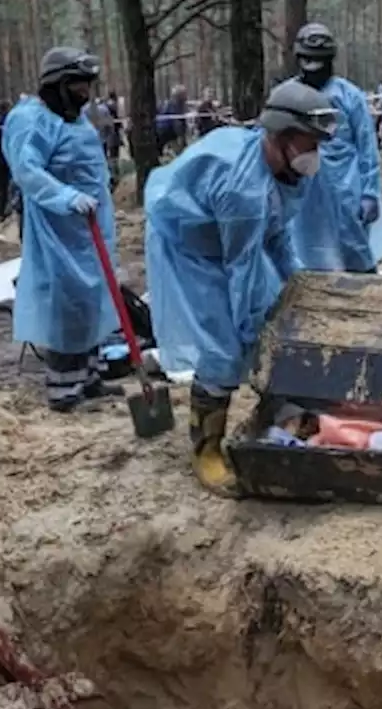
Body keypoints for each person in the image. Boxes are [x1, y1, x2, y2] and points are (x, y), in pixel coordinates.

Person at [144, 80, 336, 491]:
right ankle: (206, 449)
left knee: (276, 316)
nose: (313, 153)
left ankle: (283, 409)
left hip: (233, 241)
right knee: (225, 346)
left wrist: (301, 282)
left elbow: (277, 233)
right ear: (281, 136)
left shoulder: (280, 171)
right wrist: (250, 326)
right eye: (308, 143)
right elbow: (243, 266)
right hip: (192, 247)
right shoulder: (241, 188)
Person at [3, 46, 123, 412]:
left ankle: (88, 378)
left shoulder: (75, 120)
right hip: (58, 230)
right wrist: (66, 196)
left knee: (91, 302)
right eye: (78, 86)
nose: (86, 94)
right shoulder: (32, 120)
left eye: (88, 86)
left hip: (90, 229)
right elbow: (27, 170)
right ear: (58, 85)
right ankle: (63, 390)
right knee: (66, 305)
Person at [285, 22, 382, 273]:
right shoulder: (286, 95)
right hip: (300, 192)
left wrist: (369, 193)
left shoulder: (349, 96)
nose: (313, 69)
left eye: (319, 61)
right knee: (301, 253)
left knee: (353, 252)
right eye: (308, 60)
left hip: (345, 191)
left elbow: (367, 147)